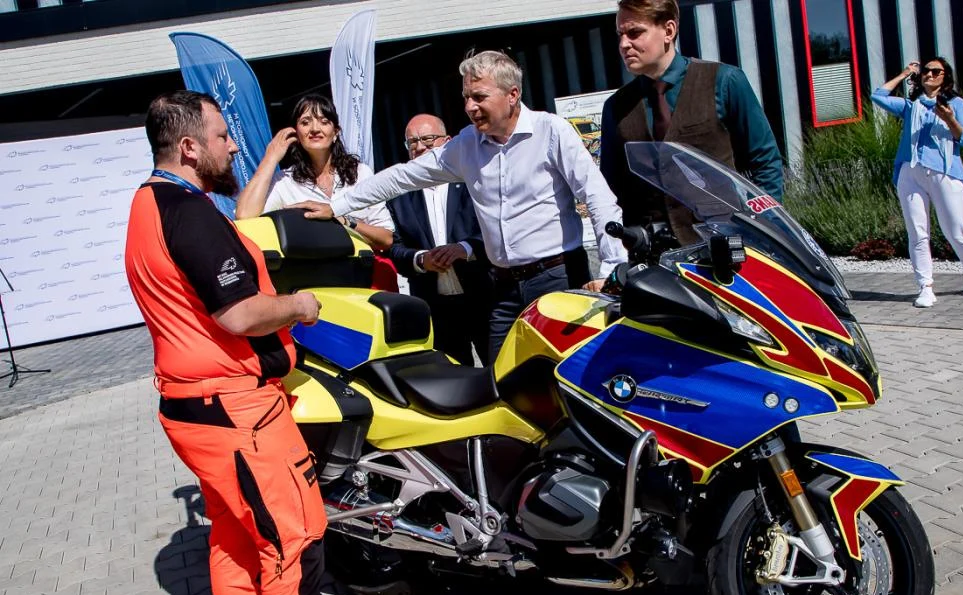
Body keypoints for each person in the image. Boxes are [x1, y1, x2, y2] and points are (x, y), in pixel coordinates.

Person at [124, 90, 390, 595]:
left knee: (237, 536)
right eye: (222, 135)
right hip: (237, 408)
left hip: (197, 405)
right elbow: (241, 313)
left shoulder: (147, 205)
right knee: (291, 540)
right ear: (189, 147)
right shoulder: (187, 211)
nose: (232, 144)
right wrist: (297, 305)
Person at [292, 51, 627, 361]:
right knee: (503, 382)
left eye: (479, 97)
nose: (469, 107)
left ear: (512, 95)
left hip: (558, 277)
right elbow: (401, 177)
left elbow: (599, 198)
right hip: (504, 288)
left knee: (568, 374)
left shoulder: (551, 132)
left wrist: (611, 270)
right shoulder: (467, 144)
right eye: (466, 97)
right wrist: (338, 206)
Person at [601, 0, 783, 244]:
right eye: (620, 35)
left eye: (634, 33)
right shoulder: (616, 107)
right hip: (657, 258)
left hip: (724, 246)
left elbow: (765, 161)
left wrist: (760, 229)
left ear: (668, 31)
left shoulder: (724, 81)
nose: (624, 44)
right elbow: (611, 187)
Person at [235, 93, 397, 292]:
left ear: (336, 131)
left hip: (363, 277)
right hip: (312, 283)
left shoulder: (361, 173)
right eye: (305, 122)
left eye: (324, 121)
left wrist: (341, 220)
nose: (315, 129)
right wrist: (271, 157)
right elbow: (244, 215)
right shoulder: (284, 181)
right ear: (296, 133)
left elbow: (386, 239)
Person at [872, 57, 963, 308]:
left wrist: (949, 119)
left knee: (955, 230)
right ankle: (925, 286)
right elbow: (877, 96)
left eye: (936, 72)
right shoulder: (911, 106)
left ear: (945, 77)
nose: (929, 75)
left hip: (945, 172)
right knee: (918, 233)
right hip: (910, 172)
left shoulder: (955, 104)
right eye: (926, 72)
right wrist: (904, 74)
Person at [387, 113, 492, 366]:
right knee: (456, 381)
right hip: (436, 308)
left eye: (428, 139)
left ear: (448, 141)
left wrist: (464, 249)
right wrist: (420, 259)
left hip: (484, 299)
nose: (420, 147)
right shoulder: (399, 194)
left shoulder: (475, 180)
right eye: (412, 142)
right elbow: (394, 246)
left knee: (500, 373)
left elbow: (496, 229)